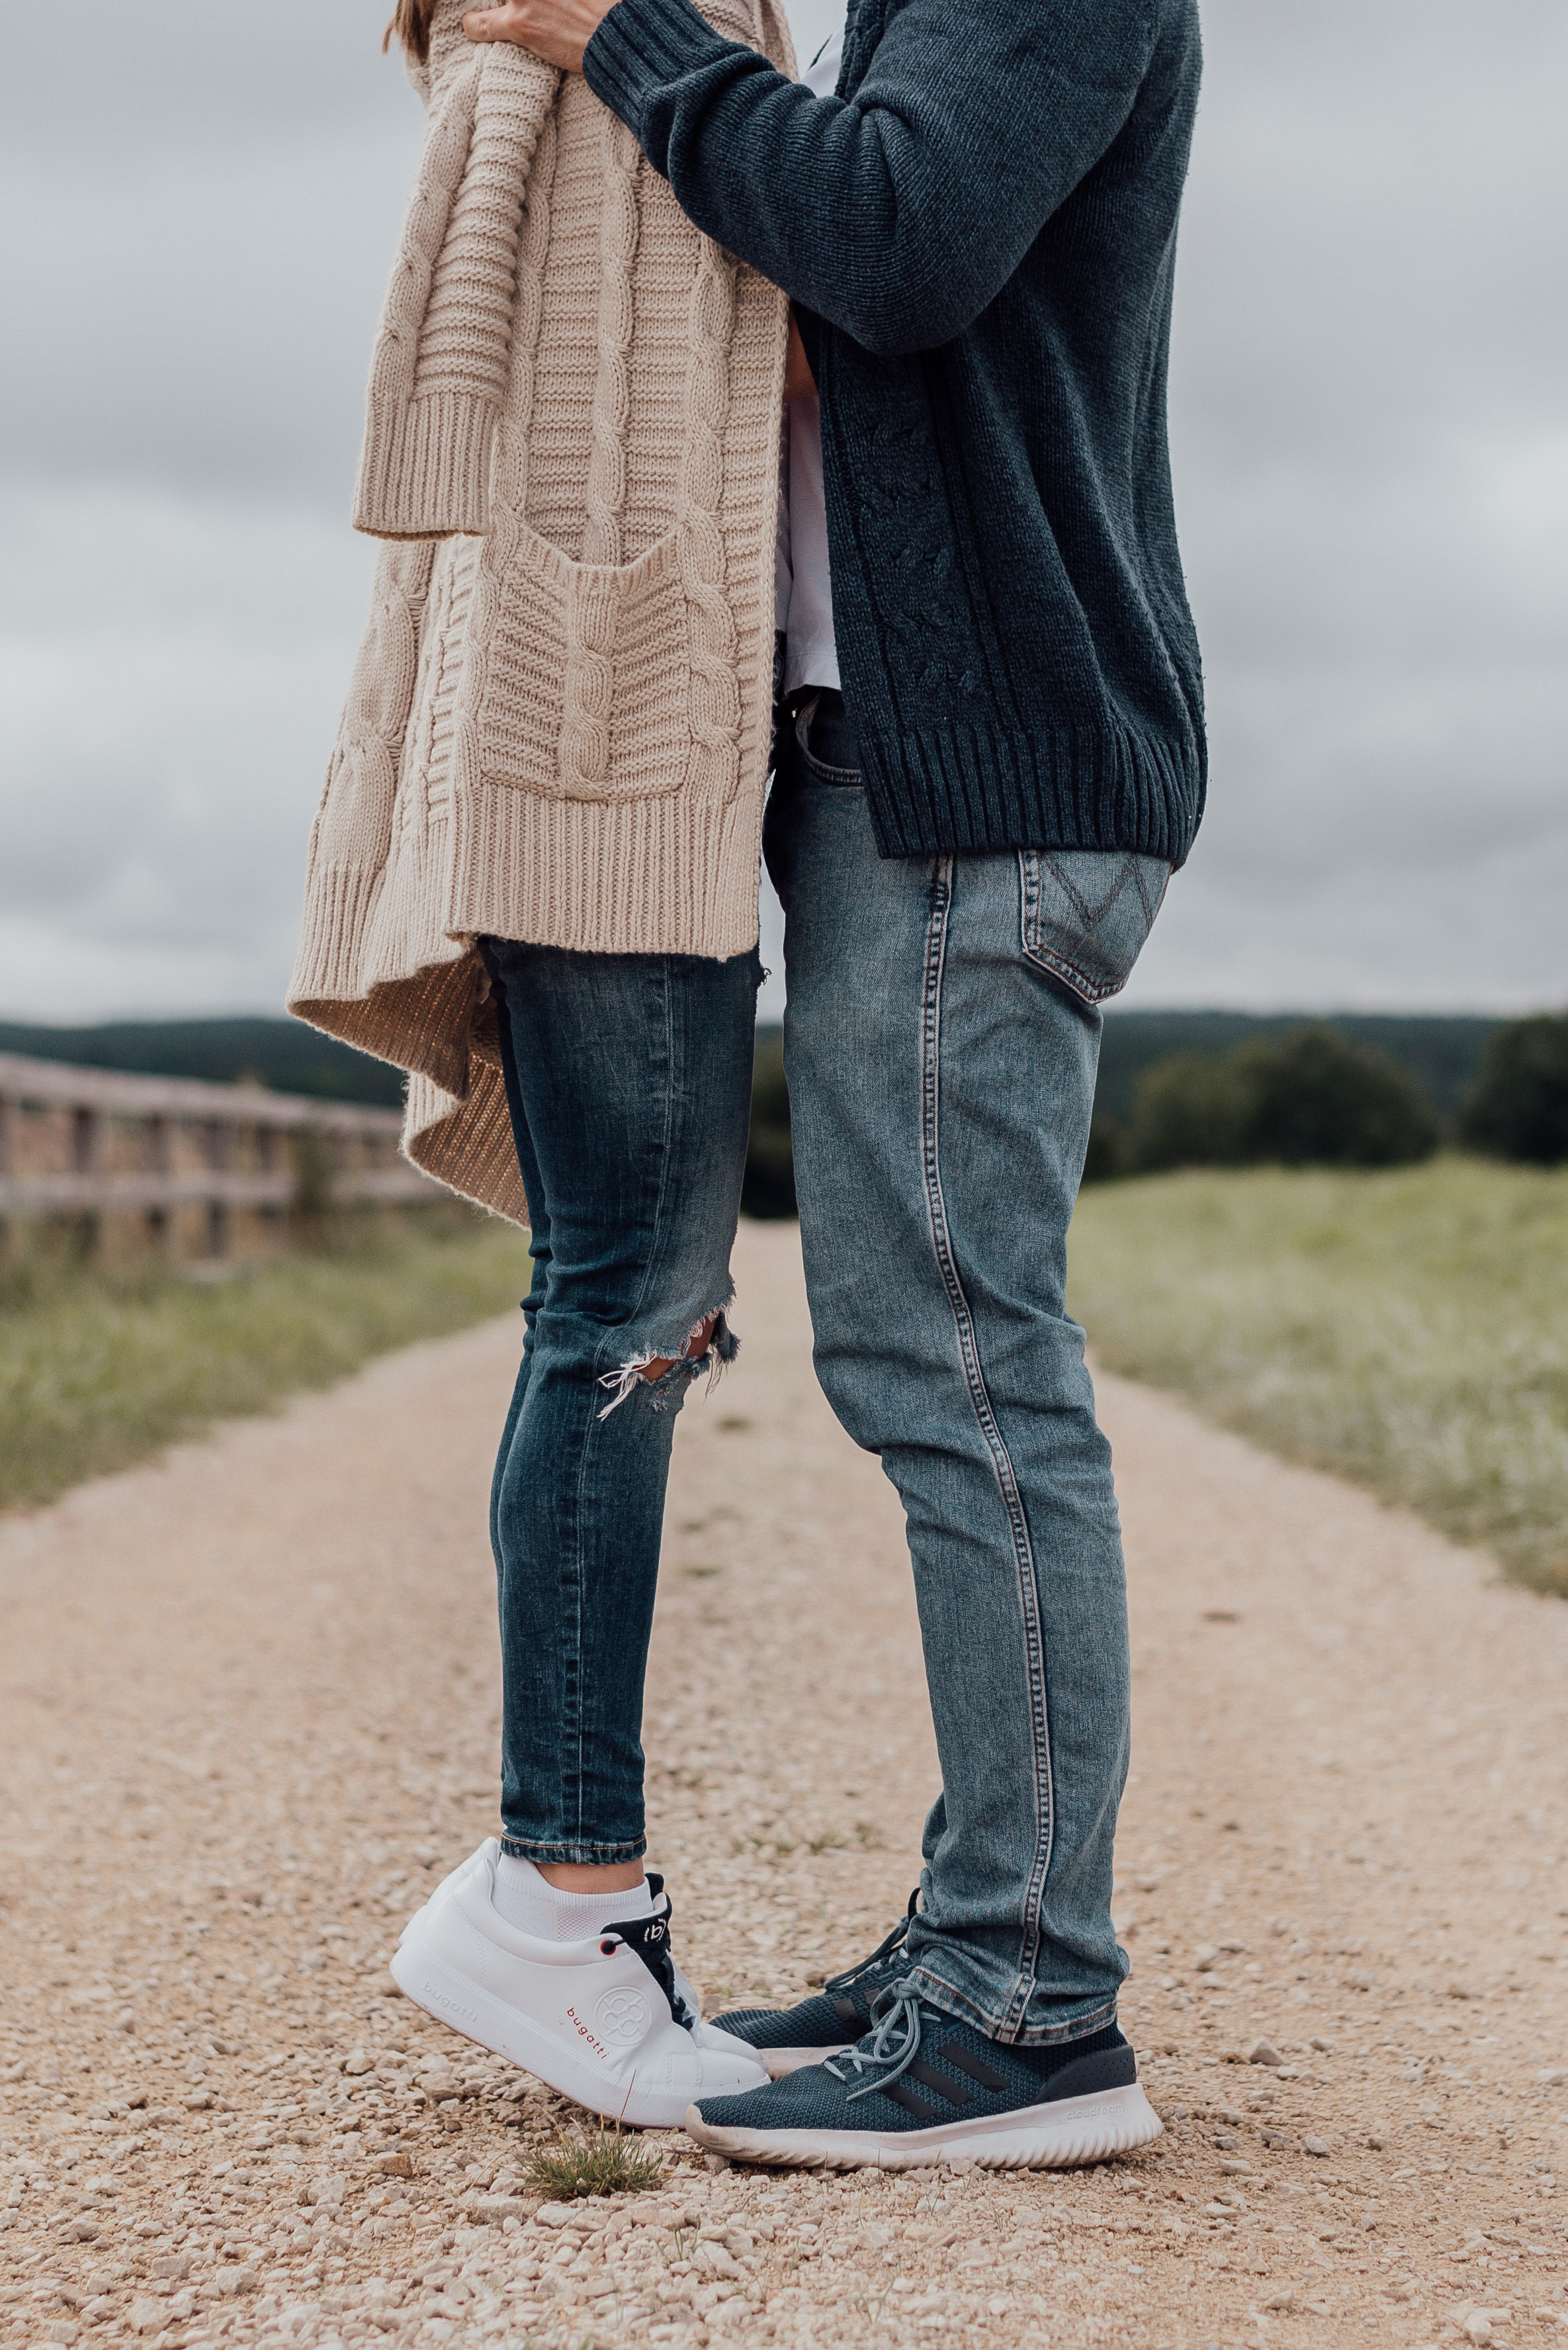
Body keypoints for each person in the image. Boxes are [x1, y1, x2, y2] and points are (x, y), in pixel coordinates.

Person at [385, 0, 1206, 2169]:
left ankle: (1030, 2010)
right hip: (887, 788)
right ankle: (975, 1943)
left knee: (959, 1369)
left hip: (982, 783)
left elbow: (901, 237)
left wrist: (620, 45)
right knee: (925, 1358)